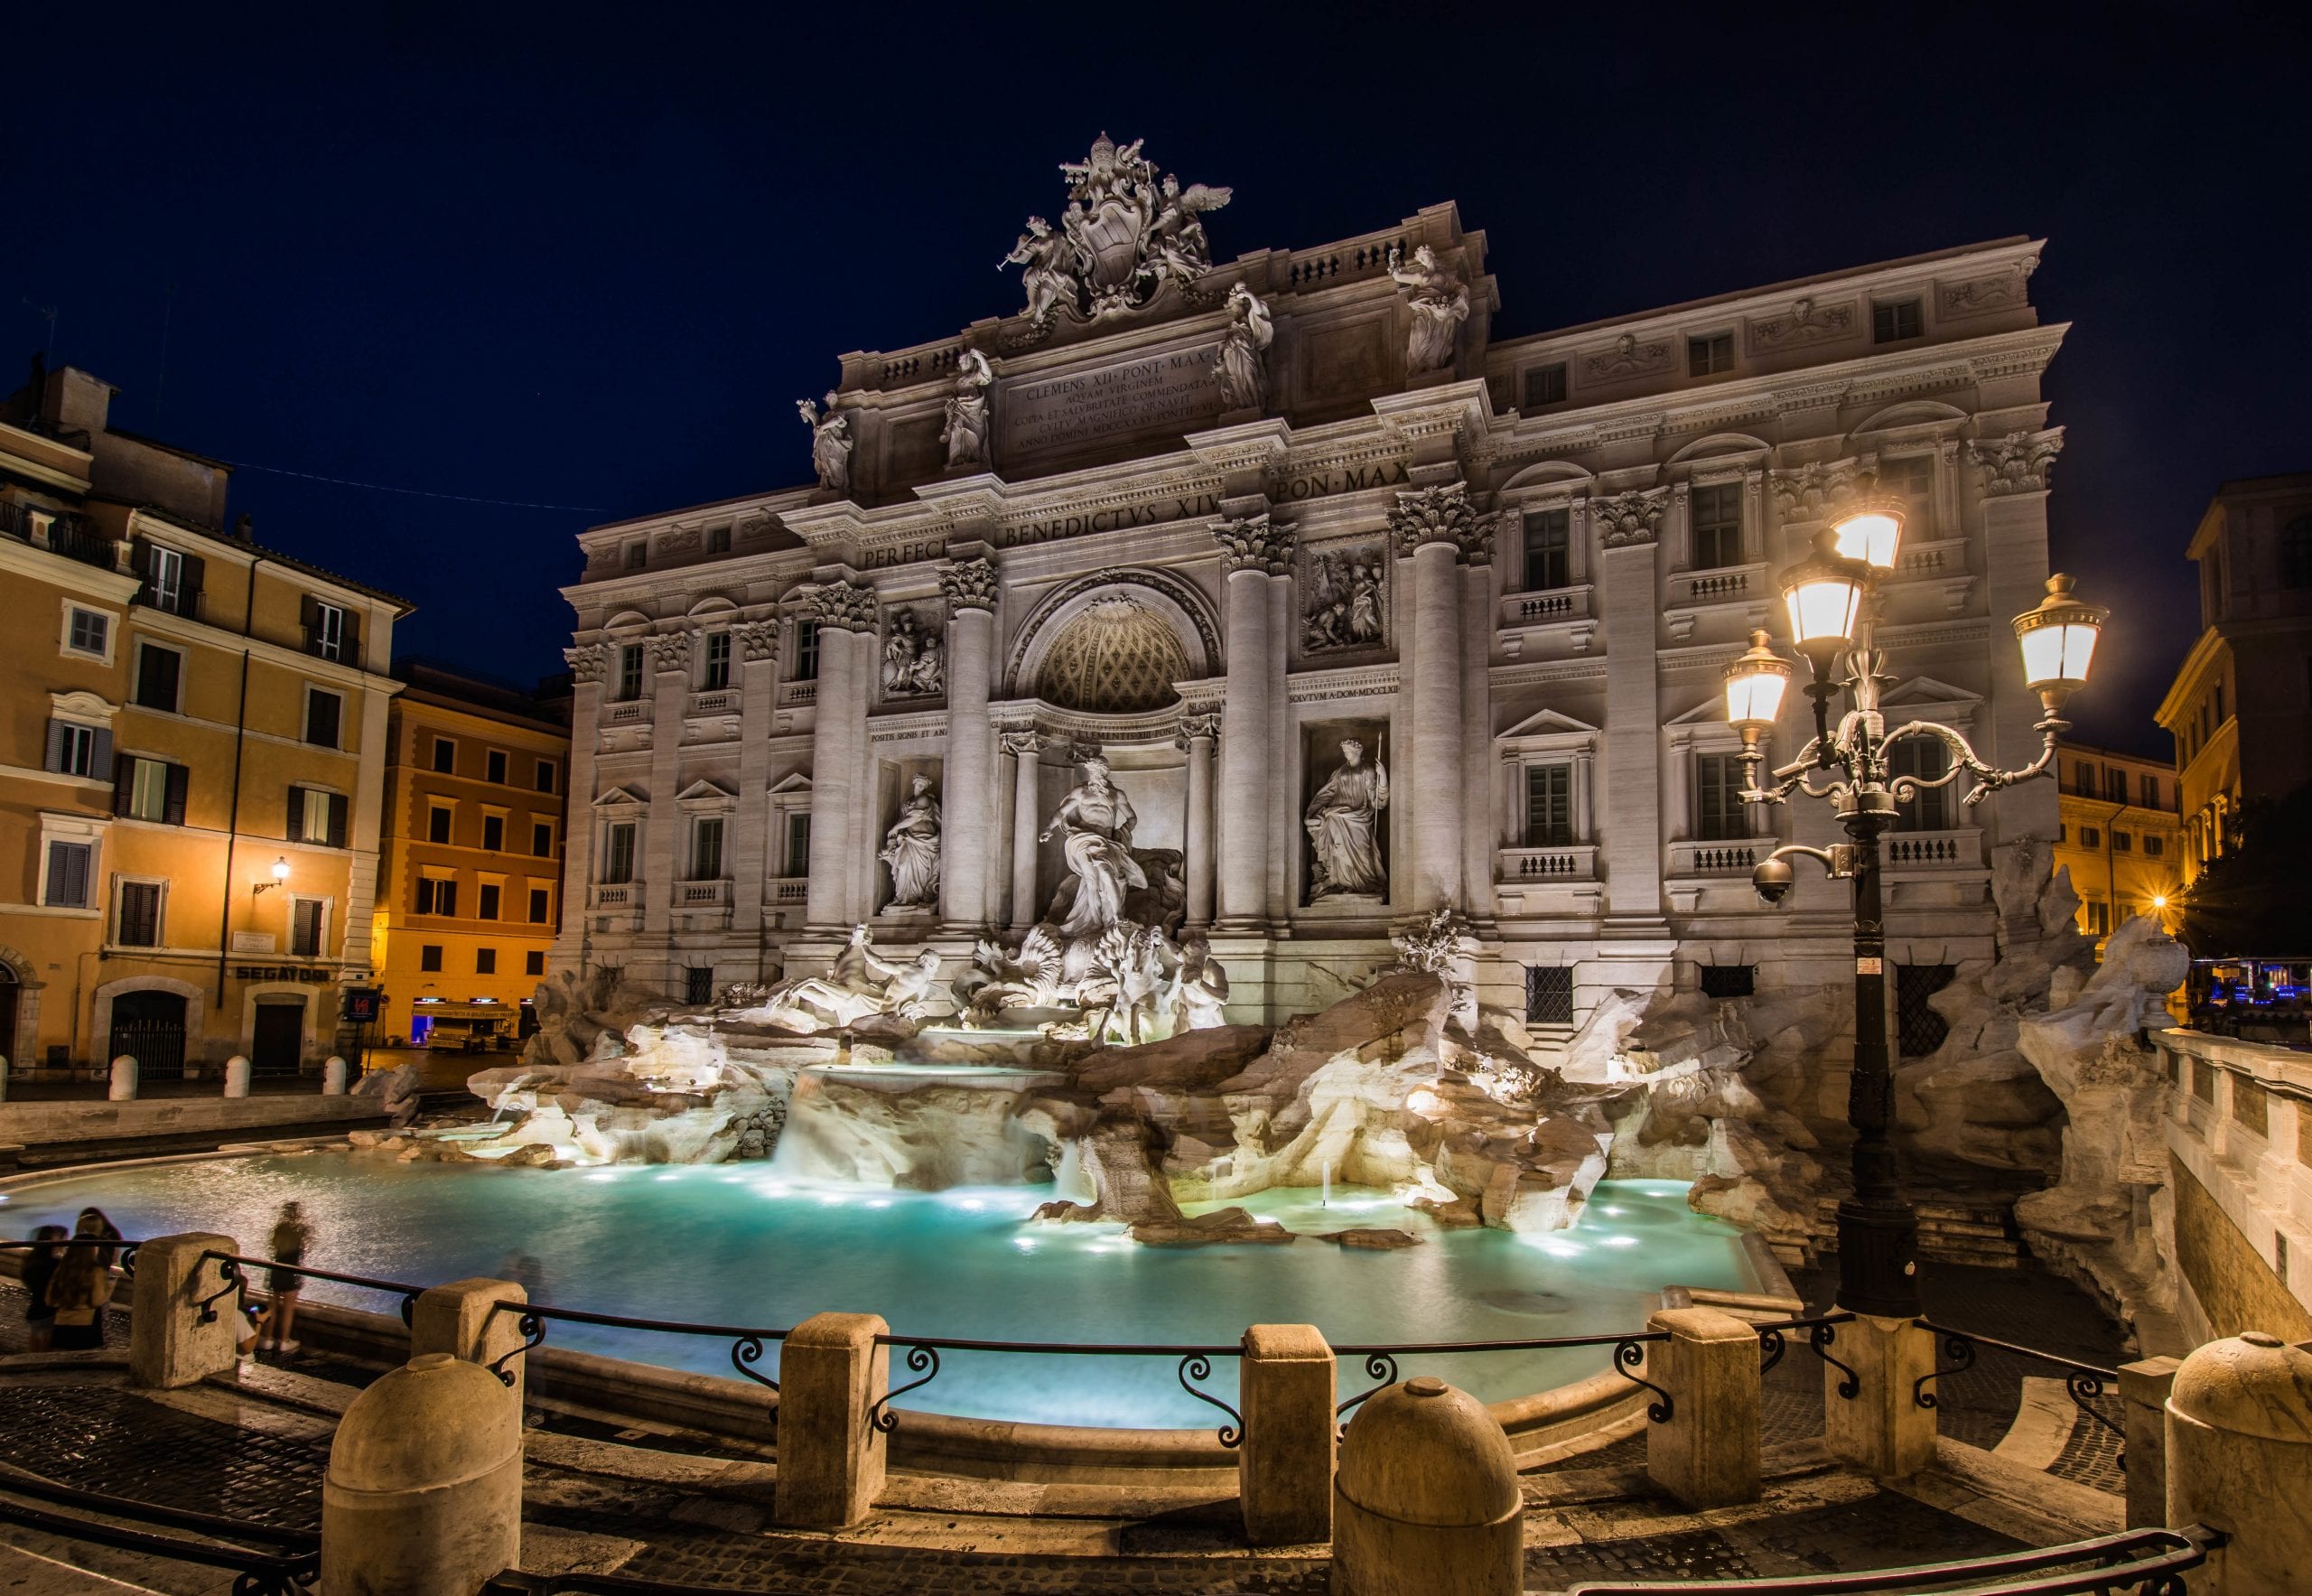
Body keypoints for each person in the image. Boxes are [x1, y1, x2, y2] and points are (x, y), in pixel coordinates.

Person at [264, 1201, 313, 1358]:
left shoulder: (279, 1228)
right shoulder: (300, 1229)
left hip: (276, 1270)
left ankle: (268, 1339)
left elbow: (273, 1246)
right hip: (291, 1270)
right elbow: (306, 1248)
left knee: (272, 1305)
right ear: (297, 1214)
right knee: (288, 1307)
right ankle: (284, 1340)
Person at [44, 1244, 114, 1352]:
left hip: (61, 1325)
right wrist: (110, 1288)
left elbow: (50, 1301)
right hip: (85, 1325)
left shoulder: (61, 1269)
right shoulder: (95, 1271)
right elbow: (97, 1301)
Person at [21, 1225, 68, 1353]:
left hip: (34, 1310)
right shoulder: (55, 1264)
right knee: (46, 1347)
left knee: (35, 1342)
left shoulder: (30, 1261)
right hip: (49, 1311)